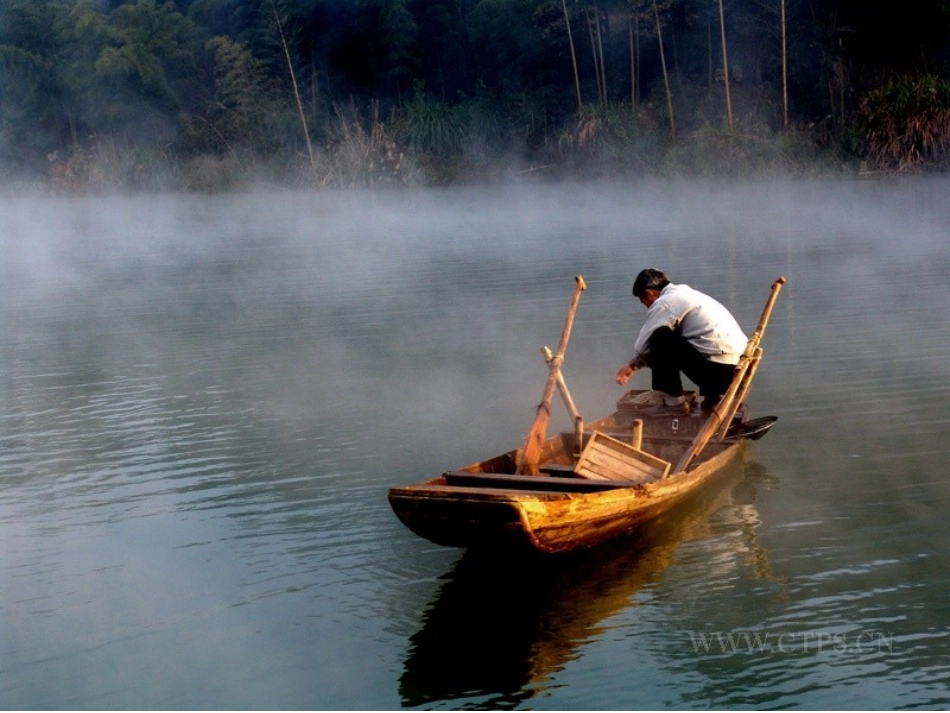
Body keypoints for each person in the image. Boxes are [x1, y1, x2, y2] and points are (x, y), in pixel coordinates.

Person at [614, 268, 748, 415]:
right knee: (684, 333)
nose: (645, 306)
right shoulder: (686, 294)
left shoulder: (666, 302)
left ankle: (674, 403)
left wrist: (633, 365)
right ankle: (712, 399)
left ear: (649, 293)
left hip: (720, 376)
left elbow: (643, 346)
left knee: (660, 336)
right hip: (738, 373)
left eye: (643, 301)